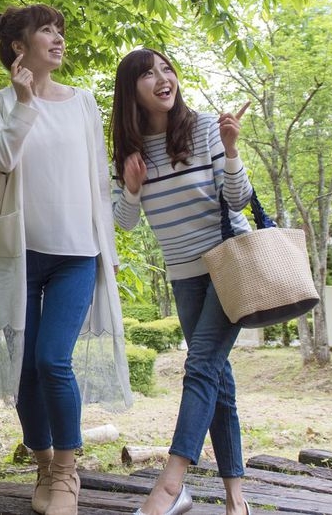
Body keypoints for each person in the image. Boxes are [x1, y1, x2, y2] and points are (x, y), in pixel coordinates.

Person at [0, 4, 133, 515]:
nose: (59, 39)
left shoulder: (83, 102)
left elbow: (98, 181)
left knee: (52, 360)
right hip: (19, 254)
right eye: (47, 30)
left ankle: (67, 471)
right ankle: (43, 464)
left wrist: (108, 249)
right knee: (25, 368)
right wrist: (24, 104)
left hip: (77, 254)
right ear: (19, 46)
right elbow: (1, 159)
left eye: (60, 30)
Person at [109, 47, 254, 515]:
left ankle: (169, 487)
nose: (162, 79)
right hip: (183, 275)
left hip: (229, 264)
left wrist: (231, 151)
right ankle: (236, 500)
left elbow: (238, 200)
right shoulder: (128, 153)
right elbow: (124, 221)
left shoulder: (206, 127)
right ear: (131, 90)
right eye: (149, 74)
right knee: (217, 380)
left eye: (167, 70)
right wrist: (133, 188)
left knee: (201, 365)